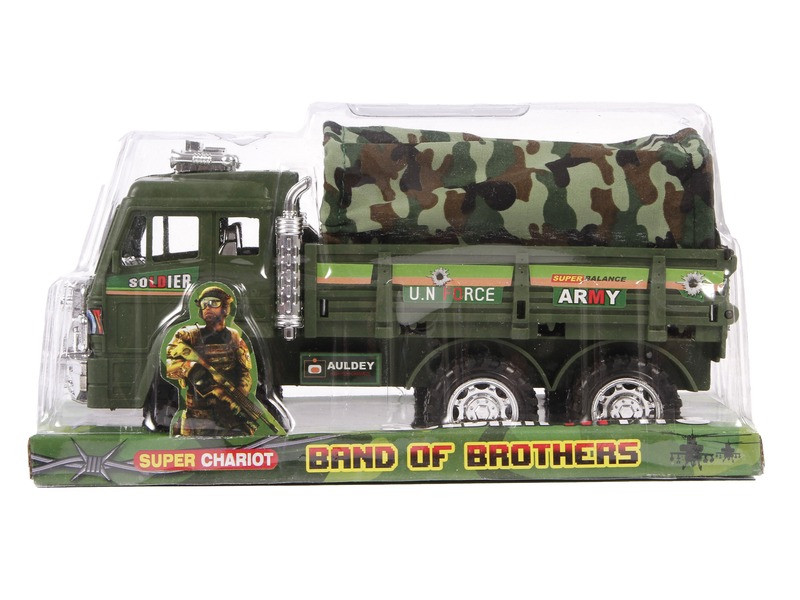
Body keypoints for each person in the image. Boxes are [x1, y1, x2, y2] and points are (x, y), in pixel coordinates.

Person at [165, 285, 257, 436]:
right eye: (204, 304)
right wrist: (191, 368)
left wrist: (235, 398)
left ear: (225, 308)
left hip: (228, 416)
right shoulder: (188, 335)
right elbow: (170, 367)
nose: (207, 307)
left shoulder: (234, 337)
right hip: (197, 417)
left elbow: (245, 374)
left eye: (213, 303)